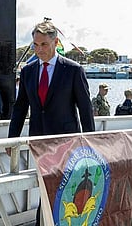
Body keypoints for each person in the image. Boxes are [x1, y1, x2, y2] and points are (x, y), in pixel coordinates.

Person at [6, 20, 95, 225]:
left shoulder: (73, 70)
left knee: (63, 189)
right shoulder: (28, 71)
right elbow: (20, 108)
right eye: (35, 45)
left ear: (55, 42)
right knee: (46, 188)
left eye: (44, 45)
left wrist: (90, 142)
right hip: (39, 142)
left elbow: (85, 108)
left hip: (67, 142)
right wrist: (13, 139)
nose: (39, 50)